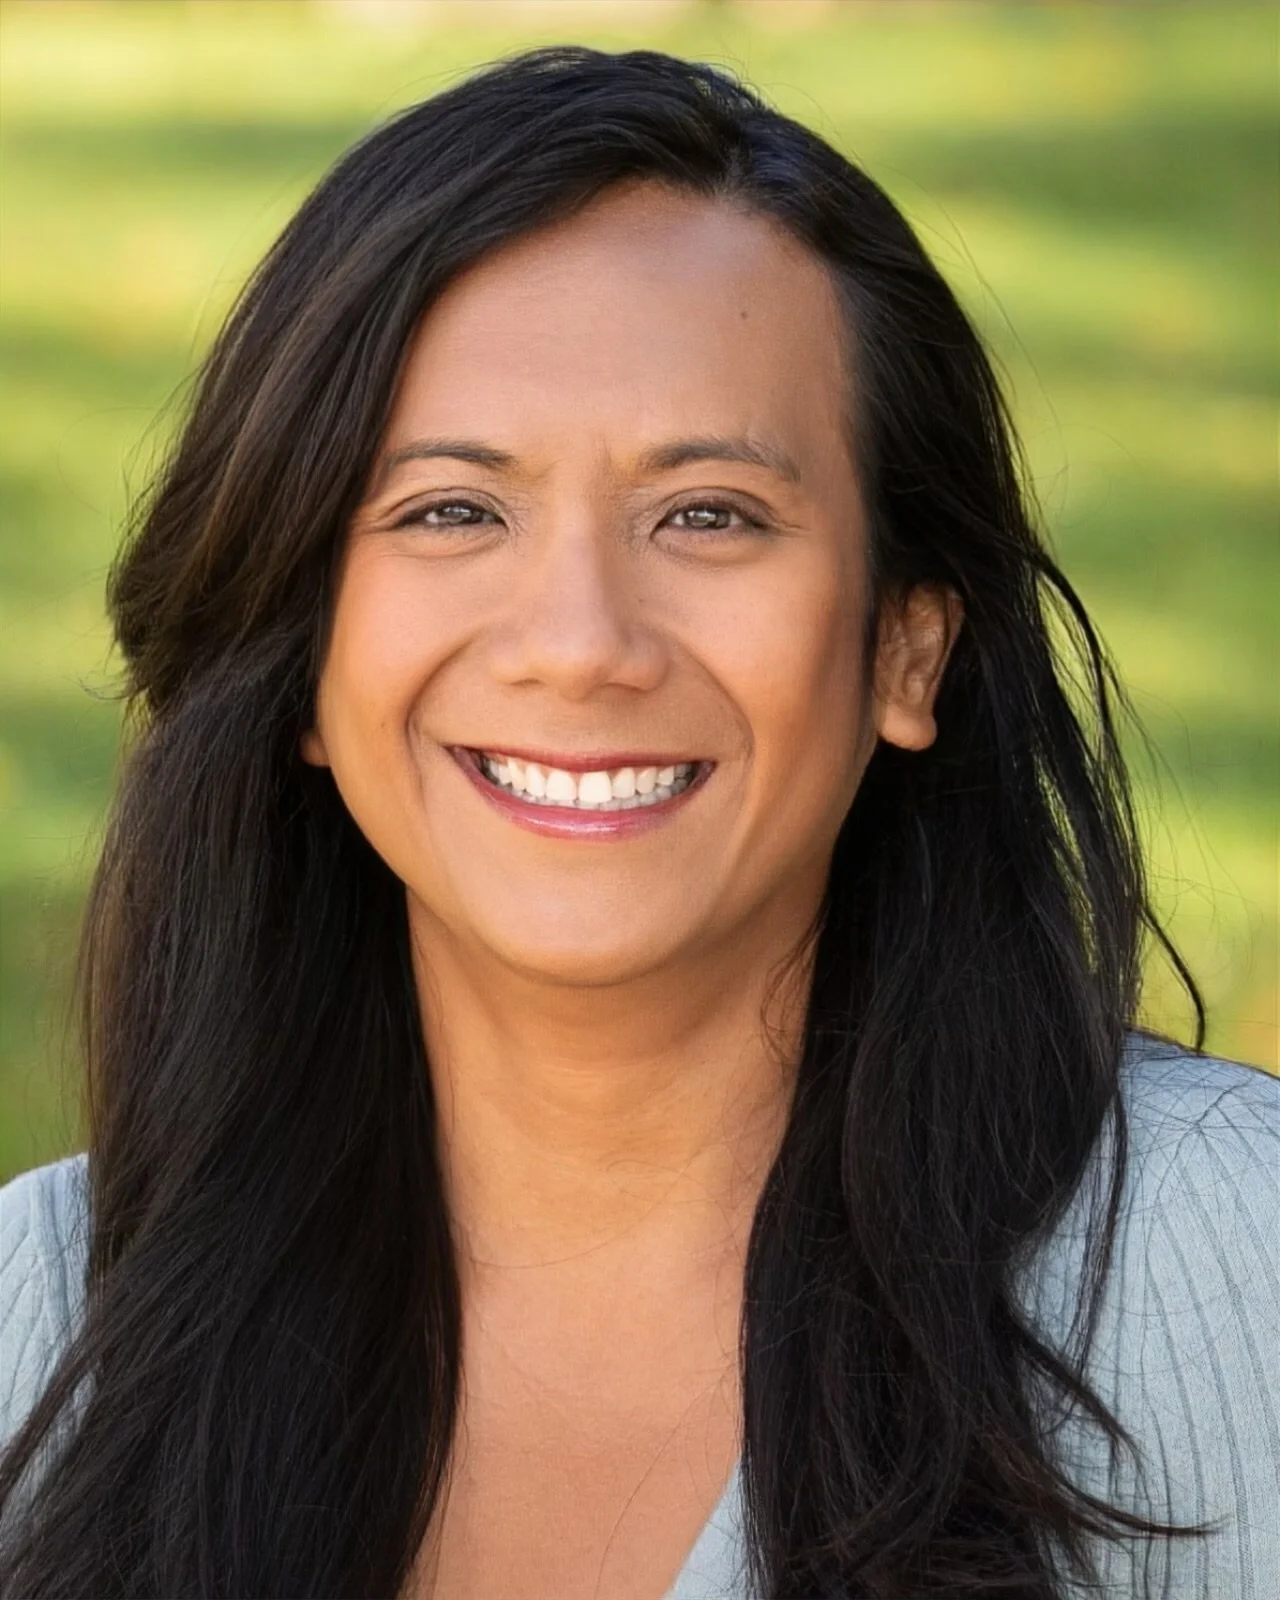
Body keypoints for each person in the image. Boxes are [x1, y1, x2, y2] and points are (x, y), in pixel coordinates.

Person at [0, 45, 1275, 1600]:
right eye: (452, 511)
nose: (582, 641)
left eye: (709, 515)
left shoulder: (1233, 1265)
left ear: (905, 648)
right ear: (304, 663)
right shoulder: (44, 1325)